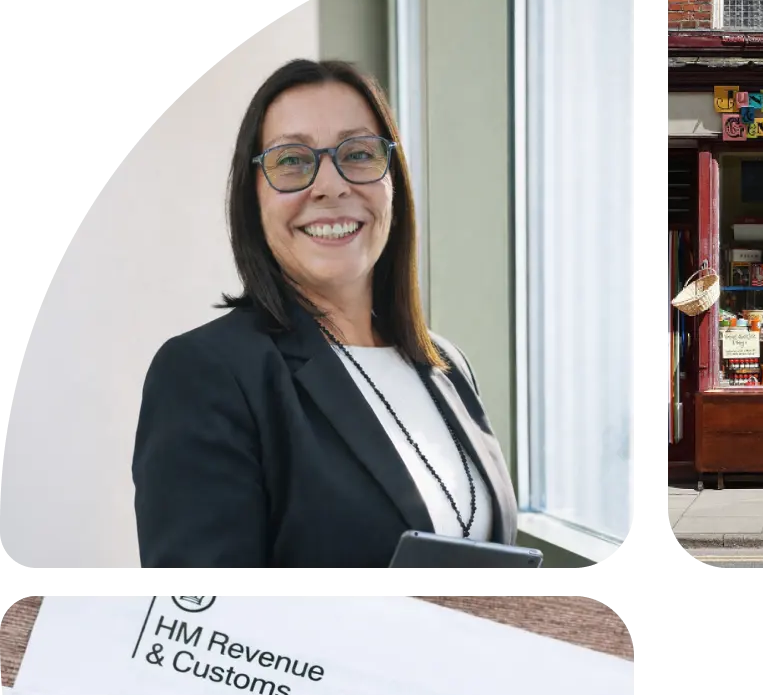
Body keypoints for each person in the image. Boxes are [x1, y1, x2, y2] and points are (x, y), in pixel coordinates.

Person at [132, 58, 517, 572]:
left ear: (393, 182)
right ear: (253, 197)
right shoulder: (205, 373)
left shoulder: (447, 365)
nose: (331, 186)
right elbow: (209, 611)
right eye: (292, 161)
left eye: (358, 154)